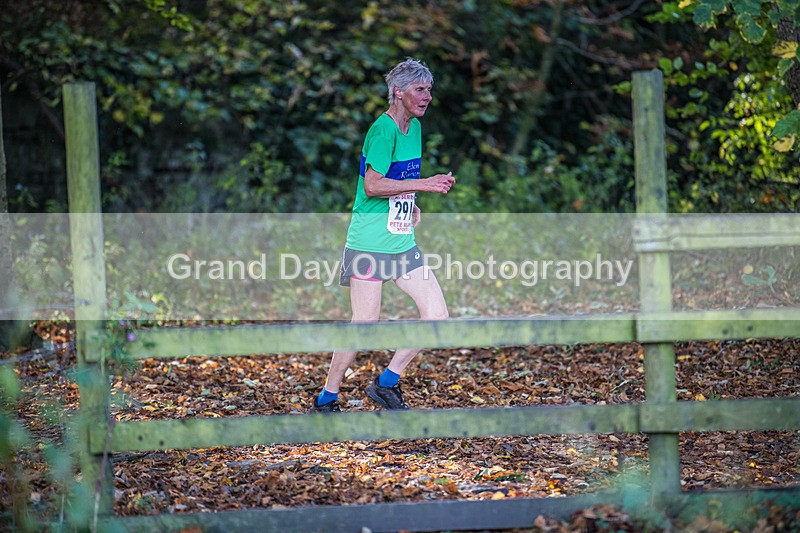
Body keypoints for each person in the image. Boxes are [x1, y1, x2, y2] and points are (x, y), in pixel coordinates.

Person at [309, 58, 455, 413]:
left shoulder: (415, 129)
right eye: (419, 90)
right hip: (369, 242)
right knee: (364, 324)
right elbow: (372, 185)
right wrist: (425, 184)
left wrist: (411, 200)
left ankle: (386, 383)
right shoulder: (382, 130)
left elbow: (397, 179)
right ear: (397, 92)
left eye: (429, 90)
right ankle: (326, 398)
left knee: (437, 317)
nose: (427, 97)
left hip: (401, 240)